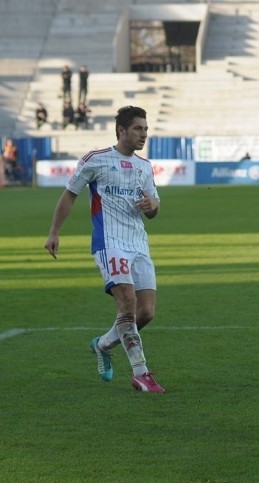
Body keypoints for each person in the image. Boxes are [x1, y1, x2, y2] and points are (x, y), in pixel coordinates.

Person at [44, 106, 165, 394]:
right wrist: (54, 232)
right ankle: (141, 373)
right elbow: (69, 195)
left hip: (138, 244)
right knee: (127, 304)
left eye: (146, 129)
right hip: (109, 243)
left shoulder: (144, 167)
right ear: (121, 130)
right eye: (138, 128)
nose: (143, 134)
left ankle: (102, 344)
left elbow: (154, 207)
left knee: (145, 313)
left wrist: (153, 206)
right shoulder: (95, 160)